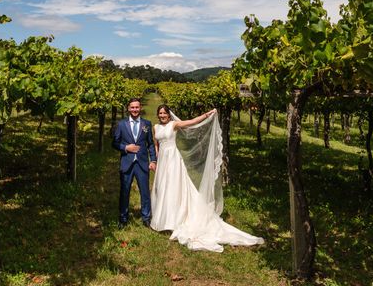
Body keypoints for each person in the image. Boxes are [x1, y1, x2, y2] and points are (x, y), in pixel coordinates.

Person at [150, 104, 264, 252]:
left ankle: (174, 220)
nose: (162, 115)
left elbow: (192, 122)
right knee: (162, 187)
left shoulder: (174, 125)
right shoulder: (155, 127)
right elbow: (156, 144)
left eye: (164, 113)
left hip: (173, 160)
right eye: (160, 113)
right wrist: (156, 159)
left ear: (169, 115)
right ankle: (162, 219)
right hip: (163, 161)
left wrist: (207, 115)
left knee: (173, 188)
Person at [112, 98, 157, 229]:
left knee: (144, 191)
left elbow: (150, 144)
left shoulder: (146, 124)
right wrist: (126, 148)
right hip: (127, 162)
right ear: (128, 108)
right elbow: (115, 143)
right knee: (124, 191)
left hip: (142, 162)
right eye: (132, 107)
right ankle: (123, 218)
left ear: (140, 108)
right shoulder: (121, 124)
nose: (135, 110)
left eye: (137, 107)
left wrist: (153, 160)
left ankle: (146, 217)